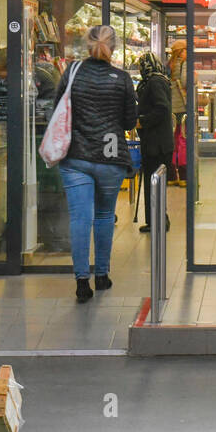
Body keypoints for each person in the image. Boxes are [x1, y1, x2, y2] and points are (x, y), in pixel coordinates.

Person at [54, 25, 138, 303]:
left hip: (76, 156)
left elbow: (58, 108)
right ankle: (101, 274)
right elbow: (128, 122)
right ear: (113, 47)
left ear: (86, 45)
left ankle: (81, 282)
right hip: (110, 155)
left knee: (81, 218)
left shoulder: (73, 72)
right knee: (104, 216)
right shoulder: (122, 78)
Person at [135, 51, 173, 233]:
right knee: (155, 183)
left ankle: (157, 221)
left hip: (156, 143)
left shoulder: (154, 82)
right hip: (158, 142)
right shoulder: (159, 79)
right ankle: (156, 220)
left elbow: (162, 108)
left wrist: (143, 121)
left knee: (154, 183)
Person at [167, 40, 188, 186]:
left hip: (171, 107)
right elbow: (186, 81)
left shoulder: (169, 65)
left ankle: (172, 175)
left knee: (173, 141)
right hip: (182, 107)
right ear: (181, 51)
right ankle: (184, 176)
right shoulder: (184, 62)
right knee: (183, 140)